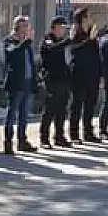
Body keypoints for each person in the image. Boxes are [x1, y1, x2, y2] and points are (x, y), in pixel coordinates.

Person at [2, 16, 38, 154]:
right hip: (15, 83)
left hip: (27, 82)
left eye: (27, 26)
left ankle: (22, 141)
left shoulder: (27, 44)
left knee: (24, 114)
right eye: (23, 26)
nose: (26, 29)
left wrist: (34, 81)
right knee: (12, 113)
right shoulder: (10, 41)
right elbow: (13, 53)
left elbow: (31, 63)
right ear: (16, 27)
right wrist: (26, 41)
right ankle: (8, 142)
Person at [68, 8, 101, 143]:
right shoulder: (75, 32)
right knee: (77, 104)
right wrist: (89, 39)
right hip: (79, 74)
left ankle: (88, 132)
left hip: (93, 74)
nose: (90, 19)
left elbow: (97, 55)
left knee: (90, 104)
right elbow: (75, 50)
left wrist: (101, 75)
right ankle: (74, 133)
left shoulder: (92, 33)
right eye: (87, 16)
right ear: (82, 19)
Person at [39, 16, 73, 149]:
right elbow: (52, 49)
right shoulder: (48, 39)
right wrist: (67, 41)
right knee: (49, 110)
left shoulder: (63, 41)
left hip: (64, 79)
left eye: (64, 28)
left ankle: (59, 136)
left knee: (62, 110)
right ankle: (44, 138)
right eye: (61, 27)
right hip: (52, 79)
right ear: (54, 27)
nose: (63, 31)